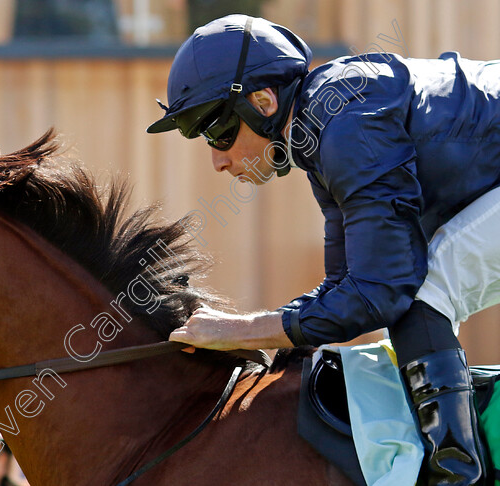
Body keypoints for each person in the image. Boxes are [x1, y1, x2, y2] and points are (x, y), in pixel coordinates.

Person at [148, 14, 500, 486]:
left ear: (262, 101)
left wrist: (244, 330)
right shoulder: (323, 126)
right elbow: (347, 287)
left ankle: (460, 477)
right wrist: (255, 332)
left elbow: (381, 292)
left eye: (218, 132)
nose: (218, 160)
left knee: (420, 295)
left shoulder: (346, 126)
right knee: (419, 295)